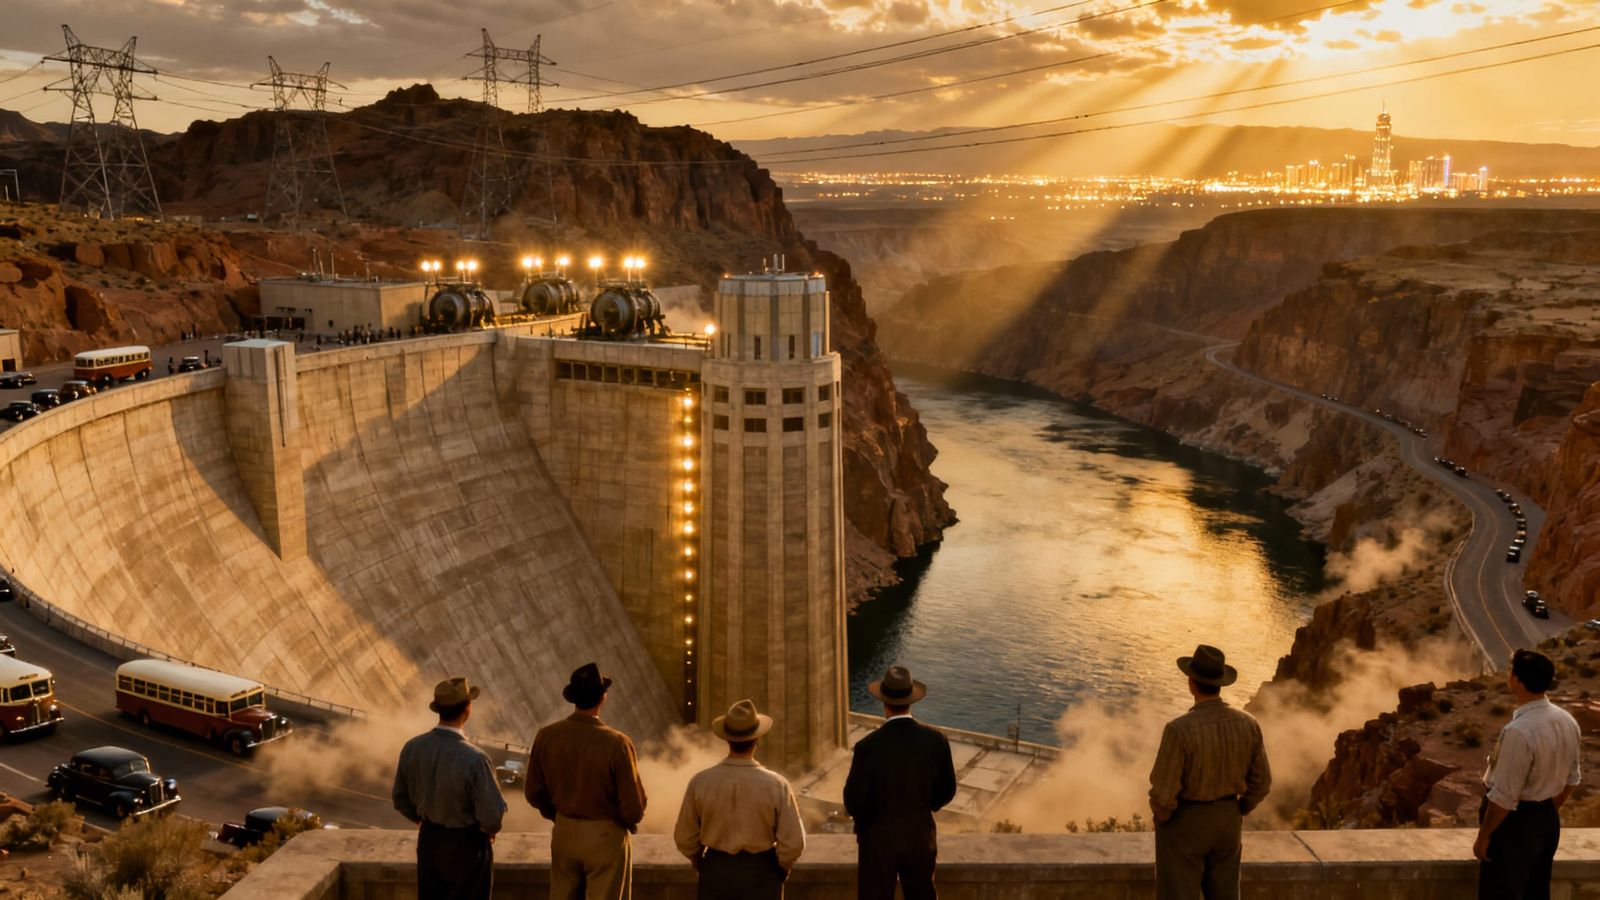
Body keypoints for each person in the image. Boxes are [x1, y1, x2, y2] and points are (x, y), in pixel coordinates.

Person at [1148, 644, 1271, 900]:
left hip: (1186, 822)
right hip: (1228, 821)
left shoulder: (1178, 730)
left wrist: (1163, 817)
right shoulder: (1248, 724)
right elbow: (1262, 782)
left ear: (1191, 682)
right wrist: (1238, 809)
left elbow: (1164, 793)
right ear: (1220, 683)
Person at [526, 663, 647, 900]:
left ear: (573, 698)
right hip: (605, 835)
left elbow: (533, 791)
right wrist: (621, 823)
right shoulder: (617, 742)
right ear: (603, 698)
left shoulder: (547, 735)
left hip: (565, 831)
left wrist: (557, 815)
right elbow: (633, 806)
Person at [843, 665, 957, 900]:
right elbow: (948, 789)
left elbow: (853, 800)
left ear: (884, 703)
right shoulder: (936, 740)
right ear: (911, 701)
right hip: (919, 838)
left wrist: (869, 824)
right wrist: (925, 806)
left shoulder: (867, 747)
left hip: (876, 843)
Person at [1475, 648, 1582, 900]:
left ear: (1517, 681)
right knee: (1536, 892)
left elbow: (1503, 797)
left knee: (1502, 893)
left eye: (1511, 670)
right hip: (1545, 822)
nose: (1508, 674)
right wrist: (1544, 812)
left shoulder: (1519, 732)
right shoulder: (1566, 720)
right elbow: (1572, 780)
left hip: (1513, 827)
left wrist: (1484, 836)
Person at [674, 699, 805, 899]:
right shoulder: (777, 784)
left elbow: (684, 837)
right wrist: (782, 867)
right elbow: (793, 843)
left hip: (716, 872)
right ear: (757, 739)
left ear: (727, 739)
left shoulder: (701, 782)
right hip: (762, 872)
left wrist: (699, 860)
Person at [392, 677, 506, 900]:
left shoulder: (412, 747)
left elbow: (399, 798)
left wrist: (422, 821)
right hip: (467, 846)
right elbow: (492, 817)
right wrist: (486, 831)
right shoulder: (475, 759)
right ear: (467, 709)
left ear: (439, 710)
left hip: (429, 842)